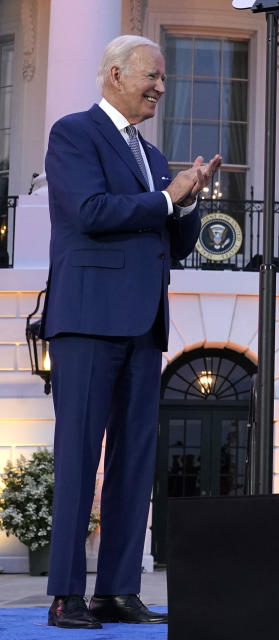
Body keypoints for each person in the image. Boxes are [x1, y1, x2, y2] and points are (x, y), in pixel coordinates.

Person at [41, 35, 221, 629]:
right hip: (89, 318)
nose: (161, 88)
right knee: (78, 458)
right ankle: (67, 593)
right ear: (115, 74)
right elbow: (87, 211)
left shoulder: (150, 154)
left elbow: (171, 242)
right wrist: (166, 197)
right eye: (152, 76)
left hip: (144, 324)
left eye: (163, 79)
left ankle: (117, 590)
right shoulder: (74, 132)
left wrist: (188, 203)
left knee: (134, 460)